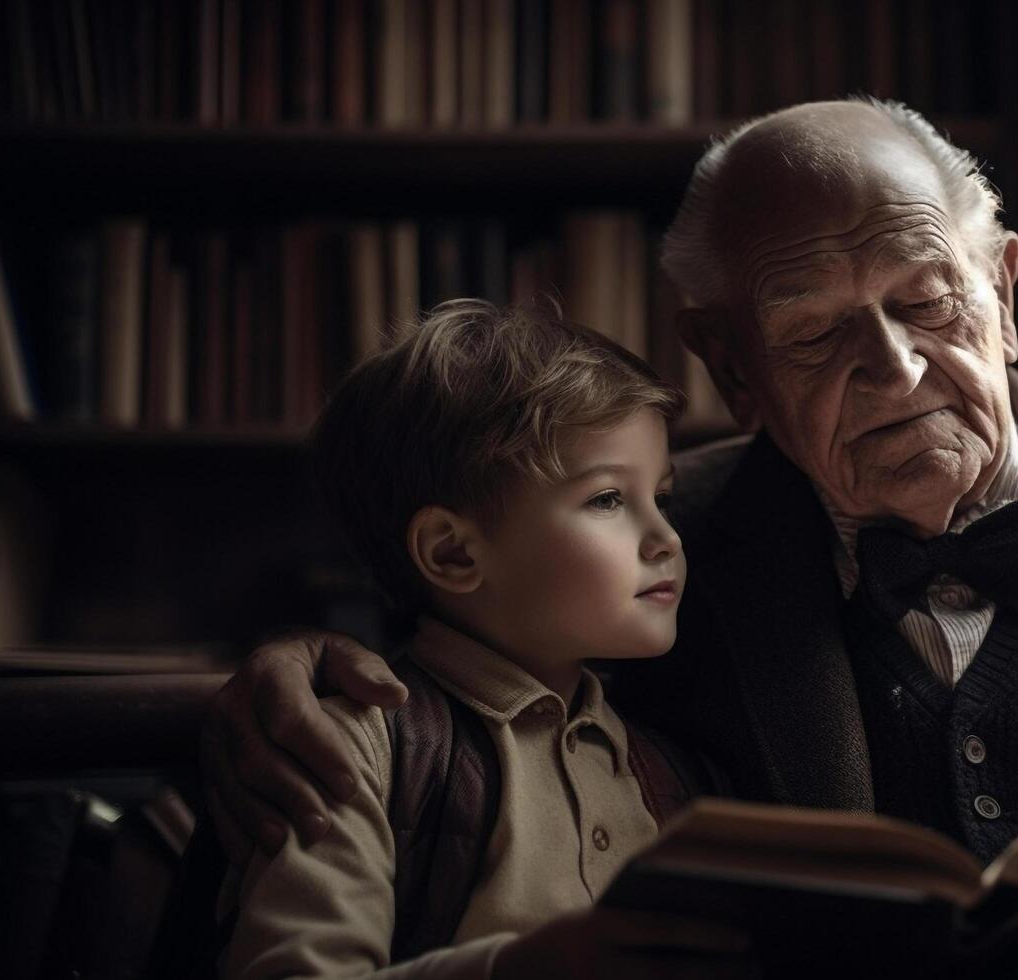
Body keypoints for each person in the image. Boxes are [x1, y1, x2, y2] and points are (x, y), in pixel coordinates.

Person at [204, 100, 1018, 978]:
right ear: (729, 366)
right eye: (817, 331)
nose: (891, 371)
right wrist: (301, 665)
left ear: (998, 289)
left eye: (923, 299)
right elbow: (459, 662)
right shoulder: (653, 556)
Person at [218, 301, 751, 979]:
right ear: (452, 553)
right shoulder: (360, 744)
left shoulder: (670, 771)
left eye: (663, 498)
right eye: (608, 500)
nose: (666, 538)